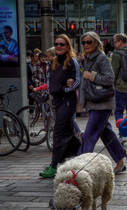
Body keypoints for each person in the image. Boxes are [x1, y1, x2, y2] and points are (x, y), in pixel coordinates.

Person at [77, 31, 126, 174]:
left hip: (102, 104)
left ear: (96, 44)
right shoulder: (89, 59)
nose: (86, 44)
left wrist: (90, 75)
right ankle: (120, 161)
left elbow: (109, 79)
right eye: (84, 42)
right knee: (107, 134)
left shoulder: (101, 58)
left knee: (88, 135)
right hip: (95, 103)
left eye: (89, 42)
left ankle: (80, 167)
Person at [34, 34, 81, 178]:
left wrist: (65, 89)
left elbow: (77, 81)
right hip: (57, 102)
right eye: (57, 44)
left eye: (62, 44)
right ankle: (82, 153)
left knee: (58, 133)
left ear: (67, 46)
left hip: (68, 101)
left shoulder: (72, 61)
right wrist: (43, 91)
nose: (59, 46)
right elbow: (50, 82)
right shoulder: (53, 62)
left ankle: (54, 166)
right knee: (67, 133)